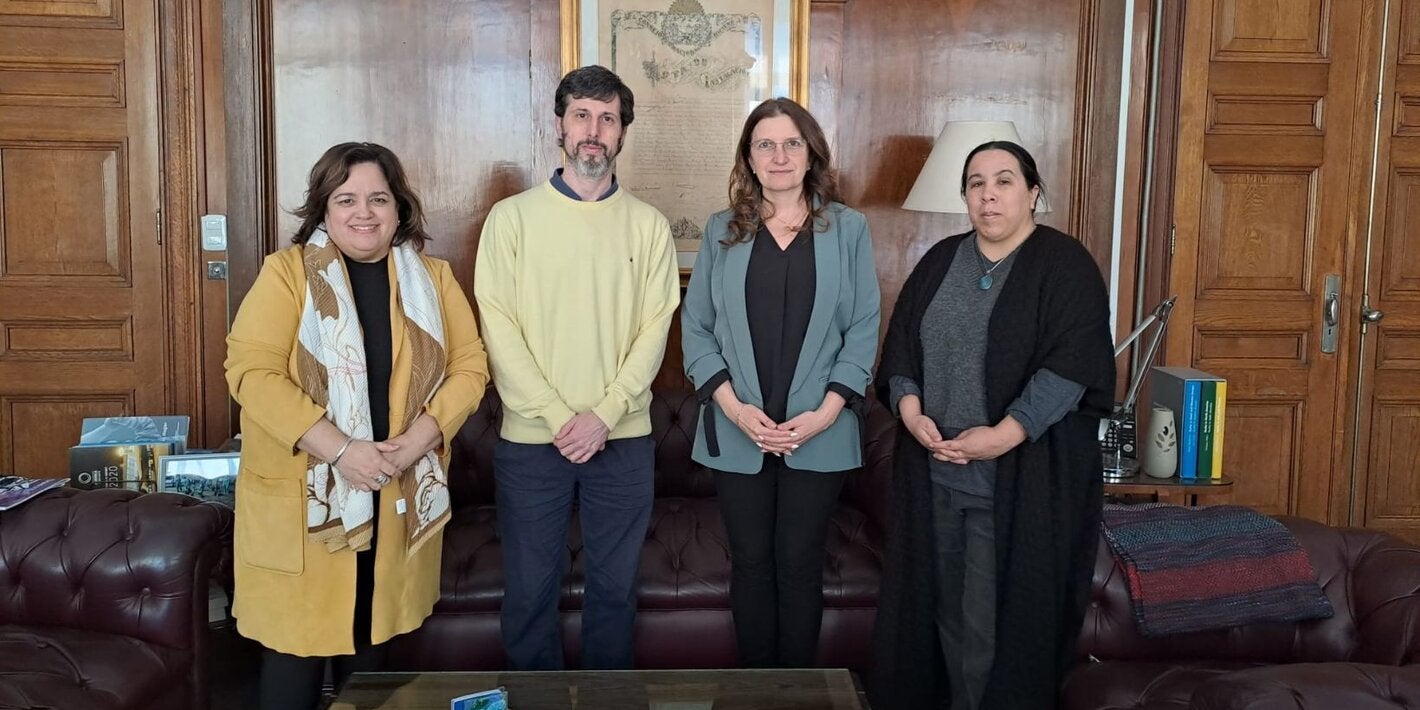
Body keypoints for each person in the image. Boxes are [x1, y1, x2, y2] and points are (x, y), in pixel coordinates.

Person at [226, 142, 489, 710]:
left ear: (399, 209)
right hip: (308, 510)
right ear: (323, 210)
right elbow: (251, 373)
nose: (363, 212)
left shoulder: (435, 280)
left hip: (394, 496)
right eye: (346, 199)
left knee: (370, 673)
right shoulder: (286, 275)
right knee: (292, 665)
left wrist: (420, 438)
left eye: (378, 198)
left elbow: (471, 369)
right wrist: (342, 449)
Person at [868, 141, 1115, 709]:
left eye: (1004, 181)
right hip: (933, 470)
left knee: (989, 622)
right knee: (942, 613)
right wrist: (910, 411)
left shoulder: (1064, 264)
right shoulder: (940, 259)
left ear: (1033, 192)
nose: (988, 195)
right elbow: (903, 346)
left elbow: (1071, 366)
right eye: (975, 184)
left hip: (1014, 476)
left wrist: (1003, 436)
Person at [473, 65, 679, 671]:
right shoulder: (511, 220)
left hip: (623, 442)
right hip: (533, 443)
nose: (594, 130)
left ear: (622, 134)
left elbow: (654, 332)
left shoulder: (649, 225)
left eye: (608, 118)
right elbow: (499, 329)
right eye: (583, 115)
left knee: (615, 597)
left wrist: (604, 415)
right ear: (559, 125)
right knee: (530, 597)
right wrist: (564, 417)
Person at [681, 98, 881, 668]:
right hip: (736, 428)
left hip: (819, 429)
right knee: (750, 564)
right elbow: (695, 329)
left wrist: (826, 412)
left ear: (811, 151)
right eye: (765, 144)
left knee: (798, 564)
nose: (779, 155)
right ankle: (756, 692)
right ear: (748, 155)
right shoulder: (723, 229)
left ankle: (796, 693)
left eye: (792, 143)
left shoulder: (848, 228)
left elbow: (865, 326)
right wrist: (736, 410)